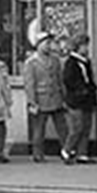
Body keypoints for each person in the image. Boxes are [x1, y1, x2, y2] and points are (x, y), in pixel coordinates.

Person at [21, 32, 69, 162]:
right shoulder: (31, 62)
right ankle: (38, 154)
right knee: (39, 129)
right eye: (46, 43)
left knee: (63, 127)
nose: (49, 46)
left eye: (49, 43)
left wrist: (64, 97)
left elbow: (60, 80)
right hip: (41, 99)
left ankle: (67, 151)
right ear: (38, 45)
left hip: (56, 97)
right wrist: (32, 102)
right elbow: (29, 84)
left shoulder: (55, 60)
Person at [62, 32, 97, 164]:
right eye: (84, 46)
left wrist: (92, 90)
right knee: (77, 127)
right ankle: (67, 149)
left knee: (86, 126)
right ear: (77, 46)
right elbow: (68, 79)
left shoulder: (86, 61)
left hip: (87, 99)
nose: (87, 48)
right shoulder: (71, 62)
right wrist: (81, 89)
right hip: (76, 100)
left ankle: (82, 153)